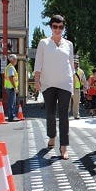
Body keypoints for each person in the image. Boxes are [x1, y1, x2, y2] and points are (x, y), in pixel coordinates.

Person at [34, 15, 74, 160]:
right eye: (55, 26)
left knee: (64, 115)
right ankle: (52, 136)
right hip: (48, 83)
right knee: (50, 113)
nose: (58, 29)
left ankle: (64, 146)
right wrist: (37, 80)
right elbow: (38, 63)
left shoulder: (69, 44)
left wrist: (73, 83)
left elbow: (71, 65)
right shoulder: (43, 43)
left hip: (65, 83)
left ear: (63, 28)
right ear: (51, 27)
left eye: (61, 27)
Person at [4, 54, 19, 122]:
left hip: (9, 87)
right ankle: (11, 117)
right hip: (11, 88)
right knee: (12, 103)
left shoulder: (9, 67)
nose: (17, 61)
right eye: (16, 59)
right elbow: (11, 77)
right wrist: (15, 87)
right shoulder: (11, 67)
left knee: (11, 102)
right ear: (13, 60)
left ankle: (11, 116)